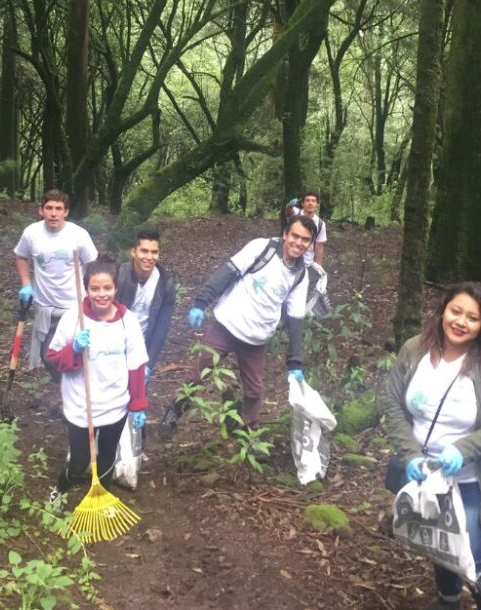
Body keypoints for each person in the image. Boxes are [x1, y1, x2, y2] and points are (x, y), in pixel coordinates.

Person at [380, 283, 481, 610]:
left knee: (471, 552)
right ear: (443, 310)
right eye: (455, 311)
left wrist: (464, 448)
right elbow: (392, 402)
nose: (461, 321)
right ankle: (448, 602)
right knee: (439, 543)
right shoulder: (415, 350)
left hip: (472, 477)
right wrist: (411, 454)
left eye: (472, 317)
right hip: (425, 473)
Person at [160, 215, 316, 436]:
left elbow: (295, 318)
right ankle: (174, 411)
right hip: (226, 325)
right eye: (295, 236)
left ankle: (249, 433)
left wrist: (295, 362)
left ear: (310, 244)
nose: (298, 243)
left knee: (254, 391)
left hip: (256, 338)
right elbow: (228, 271)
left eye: (305, 240)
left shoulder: (300, 275)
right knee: (199, 372)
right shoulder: (262, 248)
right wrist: (201, 302)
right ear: (285, 234)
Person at [45, 256, 148, 505]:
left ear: (115, 288)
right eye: (94, 288)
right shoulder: (74, 318)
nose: (101, 294)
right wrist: (73, 348)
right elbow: (52, 357)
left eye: (107, 288)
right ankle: (58, 489)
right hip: (82, 404)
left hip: (115, 404)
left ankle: (101, 498)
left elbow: (136, 365)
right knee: (80, 461)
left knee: (106, 457)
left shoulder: (127, 321)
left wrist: (137, 406)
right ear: (87, 288)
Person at [13, 189, 98, 376]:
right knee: (48, 356)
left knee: (77, 353)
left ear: (66, 212)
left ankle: (71, 391)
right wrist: (26, 283)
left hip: (74, 306)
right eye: (49, 208)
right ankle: (61, 383)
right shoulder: (31, 233)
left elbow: (93, 264)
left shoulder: (79, 235)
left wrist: (92, 294)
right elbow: (21, 256)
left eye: (58, 208)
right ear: (41, 210)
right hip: (45, 307)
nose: (53, 213)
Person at [115, 227, 177, 381]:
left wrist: (149, 363)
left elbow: (162, 327)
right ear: (133, 252)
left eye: (154, 252)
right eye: (144, 251)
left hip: (142, 345)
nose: (149, 257)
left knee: (136, 398)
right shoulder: (118, 276)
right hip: (114, 342)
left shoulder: (165, 283)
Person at [287, 192, 328, 267]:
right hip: (288, 259)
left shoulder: (320, 223)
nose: (310, 203)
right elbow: (288, 211)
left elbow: (319, 246)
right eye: (307, 200)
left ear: (317, 204)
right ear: (302, 203)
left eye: (313, 201)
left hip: (307, 263)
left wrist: (318, 266)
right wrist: (291, 204)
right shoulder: (295, 213)